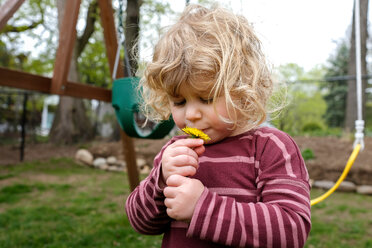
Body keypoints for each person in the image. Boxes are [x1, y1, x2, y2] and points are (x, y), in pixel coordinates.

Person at [125, 4, 311, 248]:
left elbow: (291, 231)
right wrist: (159, 181)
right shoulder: (176, 151)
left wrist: (202, 208)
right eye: (179, 101)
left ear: (242, 92)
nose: (191, 115)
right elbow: (141, 223)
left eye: (207, 98)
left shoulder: (271, 148)